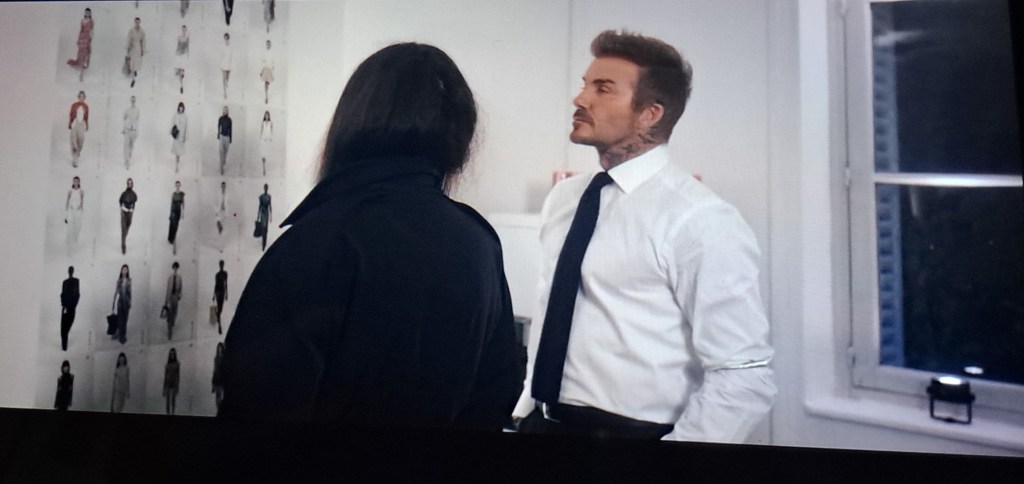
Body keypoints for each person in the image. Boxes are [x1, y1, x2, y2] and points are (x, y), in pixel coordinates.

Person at [218, 43, 521, 430]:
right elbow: (497, 392)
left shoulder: (318, 240)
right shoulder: (479, 242)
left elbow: (255, 405)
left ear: (353, 121)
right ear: (459, 134)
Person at [512, 31, 776, 442]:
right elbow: (550, 312)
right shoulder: (565, 199)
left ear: (650, 114)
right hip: (541, 426)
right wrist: (524, 410)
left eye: (602, 88)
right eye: (585, 84)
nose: (580, 99)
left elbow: (744, 373)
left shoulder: (700, 219)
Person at [66, 8, 93, 81]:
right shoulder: (82, 20)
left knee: (86, 53)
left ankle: (83, 70)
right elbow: (81, 30)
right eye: (86, 12)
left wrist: (91, 38)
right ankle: (81, 71)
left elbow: (92, 31)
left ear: (90, 13)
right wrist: (79, 39)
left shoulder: (91, 21)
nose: (87, 14)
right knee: (81, 53)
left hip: (88, 38)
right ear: (85, 13)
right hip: (82, 38)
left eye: (88, 13)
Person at [59, 266, 80, 352]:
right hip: (66, 307)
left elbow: (77, 294)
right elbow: (62, 294)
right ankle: (64, 347)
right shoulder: (65, 282)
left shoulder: (76, 281)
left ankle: (64, 346)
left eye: (71, 270)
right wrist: (64, 304)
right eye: (69, 270)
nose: (70, 272)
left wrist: (73, 305)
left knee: (67, 326)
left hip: (71, 307)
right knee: (63, 328)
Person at [111, 264, 132, 344]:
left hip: (126, 302)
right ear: (121, 271)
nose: (124, 271)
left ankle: (124, 335)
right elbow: (116, 291)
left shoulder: (129, 280)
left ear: (127, 271)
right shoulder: (119, 281)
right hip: (120, 302)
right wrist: (113, 302)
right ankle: (120, 336)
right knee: (120, 320)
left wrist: (130, 302)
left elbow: (130, 292)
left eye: (126, 269)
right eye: (123, 269)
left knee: (125, 320)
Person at [68, 91, 89, 168]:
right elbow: (71, 115)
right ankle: (75, 160)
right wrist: (70, 123)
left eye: (83, 96)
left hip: (82, 123)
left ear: (84, 98)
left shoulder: (86, 106)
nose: (81, 98)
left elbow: (86, 117)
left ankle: (77, 153)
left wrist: (86, 125)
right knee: (73, 141)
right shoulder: (74, 105)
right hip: (75, 122)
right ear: (78, 97)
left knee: (81, 140)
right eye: (80, 96)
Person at [65, 176, 84, 254]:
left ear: (79, 182)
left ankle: (75, 245)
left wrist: (81, 211)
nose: (76, 182)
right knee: (70, 229)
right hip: (71, 211)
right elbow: (67, 202)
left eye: (77, 181)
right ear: (73, 182)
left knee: (77, 228)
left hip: (78, 212)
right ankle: (69, 247)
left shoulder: (81, 191)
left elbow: (82, 202)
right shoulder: (70, 191)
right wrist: (66, 215)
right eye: (75, 181)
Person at [118, 178, 137, 255]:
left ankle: (124, 237)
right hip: (124, 213)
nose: (130, 184)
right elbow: (120, 201)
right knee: (123, 230)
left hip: (130, 213)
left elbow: (134, 202)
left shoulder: (134, 194)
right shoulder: (123, 194)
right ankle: (123, 246)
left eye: (131, 183)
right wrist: (122, 209)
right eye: (128, 183)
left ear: (132, 184)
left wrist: (132, 209)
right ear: (127, 184)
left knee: (127, 228)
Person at [125, 17, 145, 88]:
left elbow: (143, 41)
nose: (137, 23)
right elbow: (129, 38)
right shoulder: (131, 30)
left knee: (136, 62)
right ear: (134, 22)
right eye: (136, 22)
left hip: (138, 48)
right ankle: (133, 79)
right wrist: (128, 47)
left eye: (138, 22)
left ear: (139, 22)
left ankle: (135, 71)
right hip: (133, 47)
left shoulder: (142, 31)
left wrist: (142, 50)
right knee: (132, 63)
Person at [165, 262, 183, 340]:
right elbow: (167, 289)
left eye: (176, 267)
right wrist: (166, 301)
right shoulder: (170, 277)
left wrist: (179, 296)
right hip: (170, 297)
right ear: (173, 268)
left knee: (175, 312)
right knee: (169, 313)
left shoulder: (179, 277)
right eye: (174, 267)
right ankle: (170, 332)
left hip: (176, 297)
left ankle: (172, 323)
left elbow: (181, 288)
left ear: (177, 268)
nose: (175, 269)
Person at [123, 96, 140, 168]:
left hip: (134, 130)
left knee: (131, 146)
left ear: (135, 101)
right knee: (126, 146)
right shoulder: (127, 110)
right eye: (131, 100)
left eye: (134, 100)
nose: (132, 102)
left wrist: (137, 131)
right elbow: (124, 119)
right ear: (130, 101)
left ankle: (130, 153)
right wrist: (123, 129)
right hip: (127, 130)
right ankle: (127, 162)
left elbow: (138, 121)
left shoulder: (137, 110)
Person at [168, 181, 185, 252]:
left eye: (178, 185)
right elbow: (171, 204)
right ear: (175, 186)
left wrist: (183, 213)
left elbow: (183, 204)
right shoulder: (173, 194)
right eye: (176, 185)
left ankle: (172, 239)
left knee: (176, 226)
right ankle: (174, 243)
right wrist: (170, 213)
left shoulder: (182, 194)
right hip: (173, 210)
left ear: (180, 186)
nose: (177, 186)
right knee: (173, 225)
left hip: (178, 211)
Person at [171, 102, 188, 173]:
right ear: (178, 108)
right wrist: (172, 132)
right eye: (180, 107)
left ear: (183, 108)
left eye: (182, 107)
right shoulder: (175, 115)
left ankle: (178, 161)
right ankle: (176, 166)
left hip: (181, 135)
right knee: (176, 151)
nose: (180, 109)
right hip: (176, 135)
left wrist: (185, 136)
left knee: (179, 151)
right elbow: (172, 124)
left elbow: (186, 127)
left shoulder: (185, 116)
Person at [164, 348, 180, 415]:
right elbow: (165, 376)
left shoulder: (177, 364)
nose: (172, 355)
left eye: (173, 354)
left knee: (173, 401)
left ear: (175, 355)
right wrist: (164, 389)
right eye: (171, 354)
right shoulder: (167, 364)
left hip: (174, 384)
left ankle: (173, 413)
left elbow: (178, 376)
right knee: (167, 402)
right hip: (168, 384)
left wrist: (177, 387)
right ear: (169, 355)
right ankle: (168, 413)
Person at [255, 184, 271, 251]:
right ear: (264, 188)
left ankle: (264, 243)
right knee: (263, 229)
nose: (266, 189)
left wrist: (271, 216)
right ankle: (263, 245)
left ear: (267, 188)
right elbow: (260, 206)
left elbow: (270, 206)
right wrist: (258, 215)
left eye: (267, 188)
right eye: (265, 188)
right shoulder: (261, 197)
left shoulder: (269, 196)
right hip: (262, 213)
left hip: (266, 214)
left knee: (266, 229)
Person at [213, 260, 227, 335]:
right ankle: (219, 327)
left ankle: (217, 315)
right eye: (220, 265)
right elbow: (215, 284)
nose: (221, 266)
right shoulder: (217, 274)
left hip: (222, 292)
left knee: (221, 309)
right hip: (218, 292)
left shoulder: (225, 274)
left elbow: (226, 284)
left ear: (223, 265)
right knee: (219, 307)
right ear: (219, 265)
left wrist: (227, 294)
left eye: (222, 265)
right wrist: (213, 295)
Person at [217, 106, 232, 175]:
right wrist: (218, 134)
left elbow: (231, 129)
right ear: (222, 111)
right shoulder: (220, 119)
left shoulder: (229, 120)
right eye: (224, 110)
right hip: (222, 136)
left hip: (227, 137)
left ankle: (223, 162)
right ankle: (221, 168)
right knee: (221, 151)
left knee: (226, 151)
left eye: (226, 110)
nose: (225, 111)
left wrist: (230, 138)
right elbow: (218, 126)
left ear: (227, 111)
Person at [174, 25, 189, 95]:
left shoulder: (187, 38)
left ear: (186, 30)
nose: (183, 31)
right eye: (183, 29)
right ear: (181, 30)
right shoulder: (179, 37)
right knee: (178, 70)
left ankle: (181, 85)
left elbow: (187, 47)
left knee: (181, 71)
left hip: (183, 55)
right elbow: (177, 46)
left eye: (185, 29)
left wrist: (187, 56)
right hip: (179, 54)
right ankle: (181, 85)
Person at [212, 342, 225, 410]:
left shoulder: (224, 358)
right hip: (216, 378)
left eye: (220, 348)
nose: (219, 350)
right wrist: (212, 383)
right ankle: (218, 408)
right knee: (218, 396)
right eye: (218, 348)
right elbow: (214, 370)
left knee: (221, 395)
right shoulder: (216, 358)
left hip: (222, 379)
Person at [259, 111, 272, 176]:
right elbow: (261, 131)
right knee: (263, 154)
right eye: (265, 115)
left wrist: (270, 138)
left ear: (269, 116)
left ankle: (266, 167)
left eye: (267, 115)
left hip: (268, 140)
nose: (266, 116)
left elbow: (271, 131)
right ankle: (264, 168)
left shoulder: (271, 123)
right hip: (263, 140)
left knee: (267, 154)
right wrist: (261, 138)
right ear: (264, 116)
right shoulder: (263, 123)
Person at [219, 33, 232, 99]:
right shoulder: (222, 46)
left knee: (227, 79)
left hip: (229, 64)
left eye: (227, 38)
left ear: (228, 39)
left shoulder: (231, 46)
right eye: (225, 38)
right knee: (224, 78)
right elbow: (221, 55)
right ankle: (225, 93)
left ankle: (226, 85)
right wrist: (221, 64)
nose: (226, 40)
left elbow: (231, 55)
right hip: (224, 63)